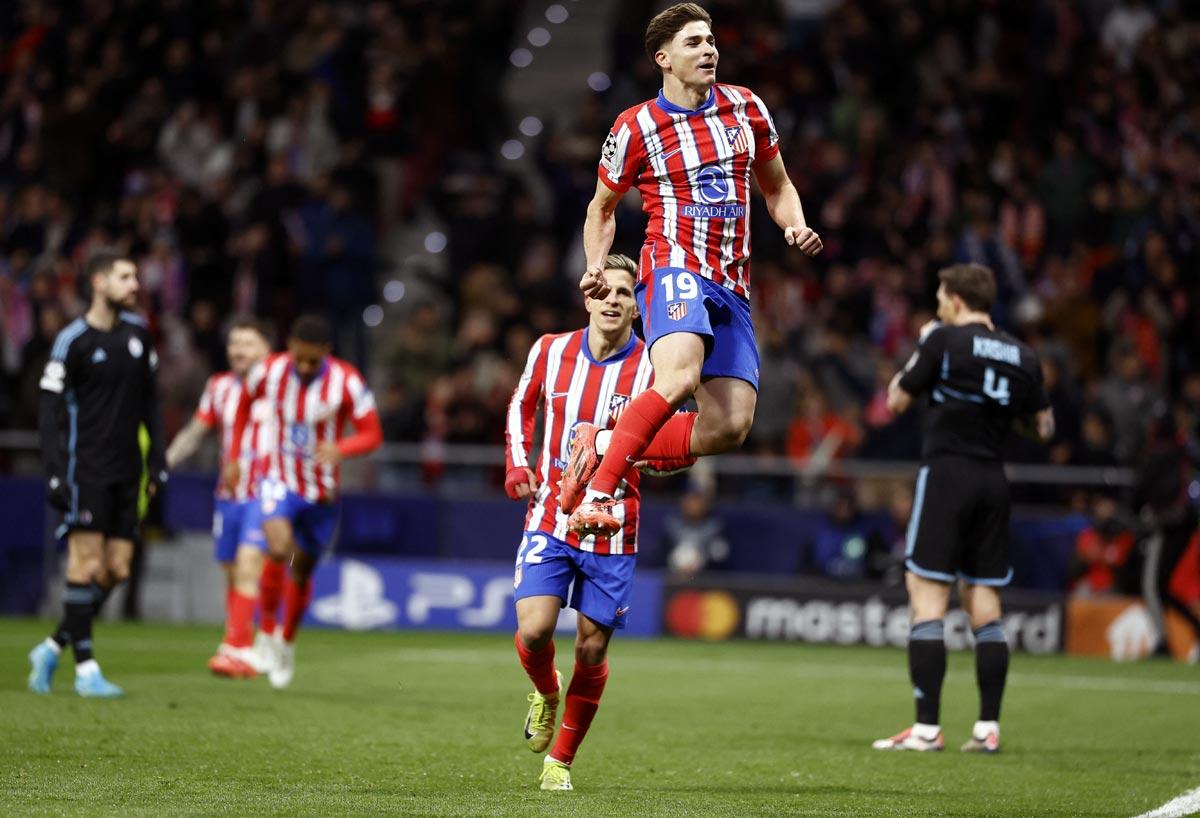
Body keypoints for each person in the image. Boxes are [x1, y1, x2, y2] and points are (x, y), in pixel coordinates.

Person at [558, 2, 822, 537]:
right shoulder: (636, 126)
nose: (709, 50)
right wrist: (593, 266)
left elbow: (778, 186)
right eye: (694, 43)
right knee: (678, 379)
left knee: (730, 427)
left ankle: (604, 443)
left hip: (733, 284)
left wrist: (793, 224)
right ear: (663, 58)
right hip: (674, 264)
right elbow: (600, 209)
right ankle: (601, 493)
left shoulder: (747, 108)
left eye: (711, 41)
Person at [505, 254, 684, 792]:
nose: (612, 300)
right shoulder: (550, 350)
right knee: (534, 630)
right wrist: (518, 463)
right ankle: (546, 690)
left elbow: (679, 446)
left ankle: (559, 761)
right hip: (550, 517)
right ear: (587, 298)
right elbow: (521, 406)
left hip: (614, 525)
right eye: (603, 291)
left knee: (591, 647)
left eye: (625, 293)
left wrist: (647, 458)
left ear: (638, 306)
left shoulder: (656, 368)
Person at [872, 263, 1054, 754]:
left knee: (927, 597)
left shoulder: (942, 341)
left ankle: (927, 730)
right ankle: (987, 728)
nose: (936, 305)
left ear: (954, 299)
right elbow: (1043, 428)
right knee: (985, 604)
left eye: (939, 296)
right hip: (994, 480)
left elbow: (896, 401)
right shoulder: (1023, 355)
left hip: (947, 474)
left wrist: (925, 346)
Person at [28, 251, 167, 698]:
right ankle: (86, 669)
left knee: (118, 568)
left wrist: (158, 459)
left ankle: (52, 646)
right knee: (85, 564)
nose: (134, 285)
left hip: (129, 468)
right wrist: (53, 471)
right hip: (84, 466)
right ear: (99, 282)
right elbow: (48, 410)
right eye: (125, 277)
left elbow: (151, 402)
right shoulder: (73, 340)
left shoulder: (139, 335)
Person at [224, 314, 382, 689]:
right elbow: (245, 404)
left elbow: (372, 433)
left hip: (322, 491)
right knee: (277, 547)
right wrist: (233, 454)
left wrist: (341, 447)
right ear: (290, 349)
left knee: (302, 569)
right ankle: (265, 632)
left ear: (326, 352)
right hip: (278, 478)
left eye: (313, 360)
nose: (306, 367)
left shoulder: (347, 380)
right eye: (300, 358)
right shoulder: (271, 370)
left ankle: (286, 641)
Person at [165, 318, 272, 677]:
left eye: (248, 343)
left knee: (247, 565)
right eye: (234, 343)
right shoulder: (219, 386)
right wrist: (163, 464)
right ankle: (242, 647)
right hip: (228, 495)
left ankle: (234, 648)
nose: (238, 350)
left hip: (267, 493)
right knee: (231, 571)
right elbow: (196, 431)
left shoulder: (280, 388)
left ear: (266, 351)